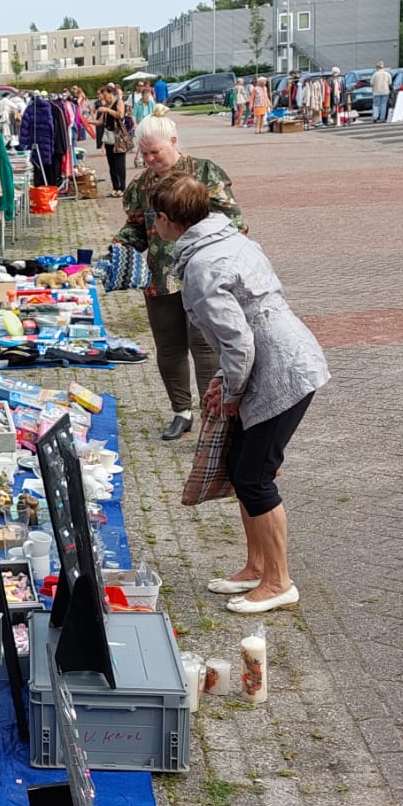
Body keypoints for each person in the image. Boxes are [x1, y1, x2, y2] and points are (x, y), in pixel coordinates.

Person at [151, 172, 329, 613]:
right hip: (279, 356)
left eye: (154, 219)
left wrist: (231, 390)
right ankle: (255, 567)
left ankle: (279, 581)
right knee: (240, 465)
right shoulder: (228, 240)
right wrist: (225, 382)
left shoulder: (202, 265)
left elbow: (239, 341)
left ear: (166, 220)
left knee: (254, 474)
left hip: (282, 368)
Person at [112, 115, 244, 440]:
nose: (150, 160)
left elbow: (234, 221)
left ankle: (212, 418)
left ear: (173, 141)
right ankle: (180, 412)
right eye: (144, 155)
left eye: (155, 152)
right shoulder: (142, 185)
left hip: (204, 276)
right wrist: (121, 245)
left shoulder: (204, 172)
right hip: (160, 278)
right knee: (169, 348)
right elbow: (138, 226)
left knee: (205, 347)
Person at [95, 83, 131, 196]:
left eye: (106, 95)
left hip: (118, 136)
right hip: (109, 136)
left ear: (112, 93)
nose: (105, 98)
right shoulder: (107, 105)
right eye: (103, 96)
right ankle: (115, 186)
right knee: (111, 163)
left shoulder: (118, 102)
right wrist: (87, 122)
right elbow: (100, 121)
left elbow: (120, 115)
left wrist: (107, 110)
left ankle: (122, 187)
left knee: (120, 163)